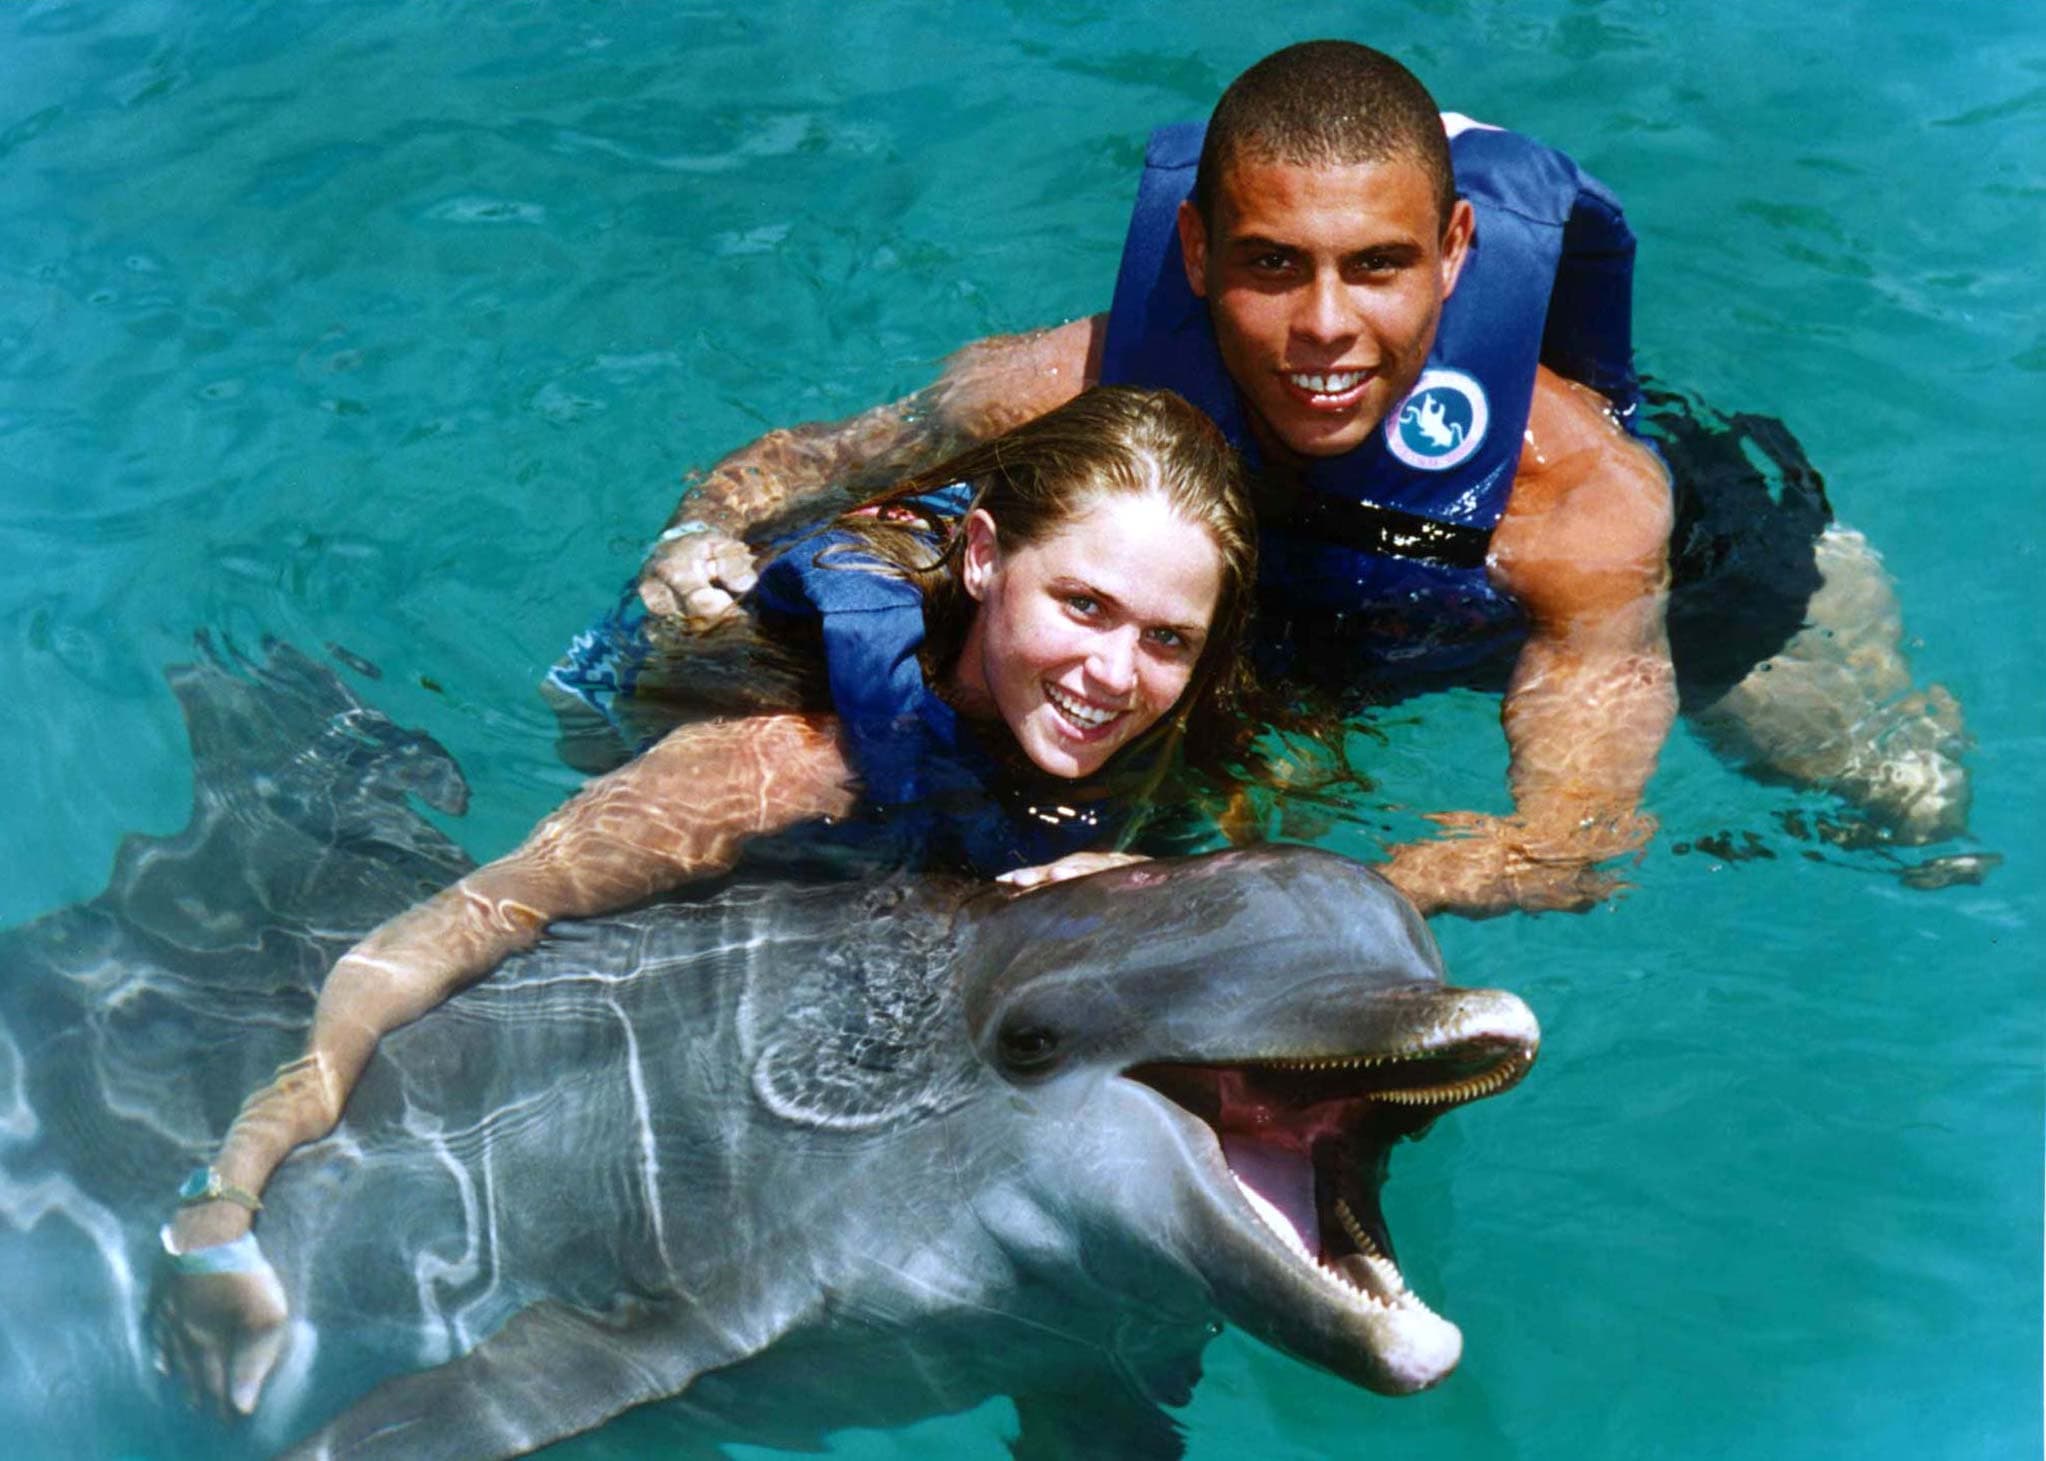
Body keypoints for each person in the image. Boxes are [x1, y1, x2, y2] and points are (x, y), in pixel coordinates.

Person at [624, 40, 1968, 916]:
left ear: (1453, 251)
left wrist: (1244, 897)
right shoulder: (1053, 383)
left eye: (1375, 265)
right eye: (1274, 263)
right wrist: (698, 539)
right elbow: (803, 464)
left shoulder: (1578, 498)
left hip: (1597, 586)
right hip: (1268, 604)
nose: (1324, 328)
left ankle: (1846, 624)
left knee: (1871, 782)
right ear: (1197, 252)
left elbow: (1568, 841)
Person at [150, 384, 1257, 1415]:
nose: (1115, 676)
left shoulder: (1168, 724)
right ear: (982, 558)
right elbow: (464, 923)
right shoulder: (784, 762)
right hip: (686, 739)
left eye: (1167, 639)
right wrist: (225, 1198)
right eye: (1083, 605)